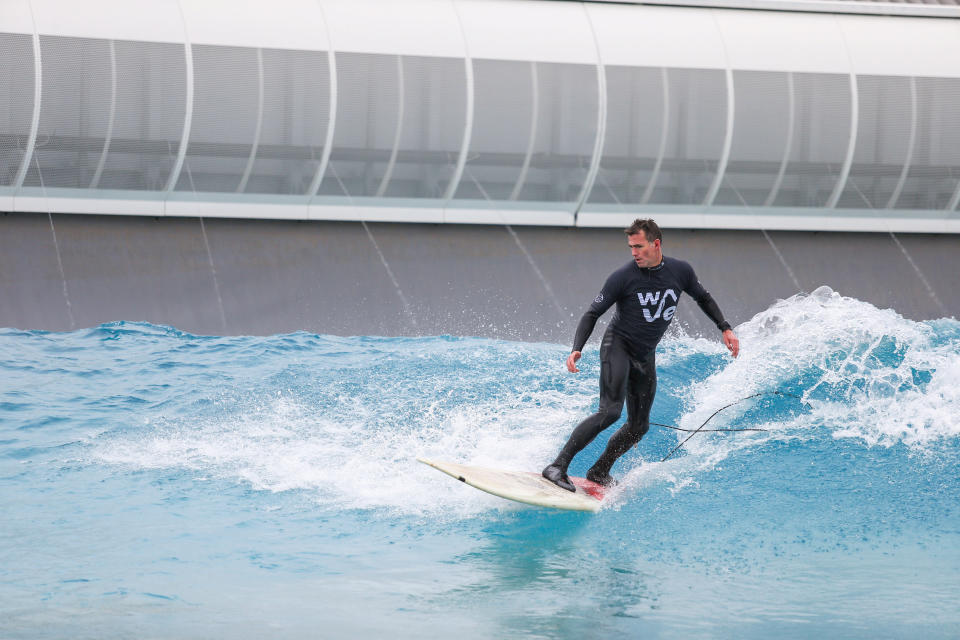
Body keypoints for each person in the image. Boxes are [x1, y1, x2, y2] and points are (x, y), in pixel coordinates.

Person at [542, 218, 739, 491]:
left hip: (645, 356)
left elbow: (703, 297)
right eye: (630, 247)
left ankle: (599, 471)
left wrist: (725, 328)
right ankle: (557, 466)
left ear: (655, 244)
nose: (634, 252)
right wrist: (577, 347)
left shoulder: (680, 271)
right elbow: (592, 313)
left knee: (638, 426)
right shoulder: (623, 277)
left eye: (639, 246)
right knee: (610, 413)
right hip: (618, 347)